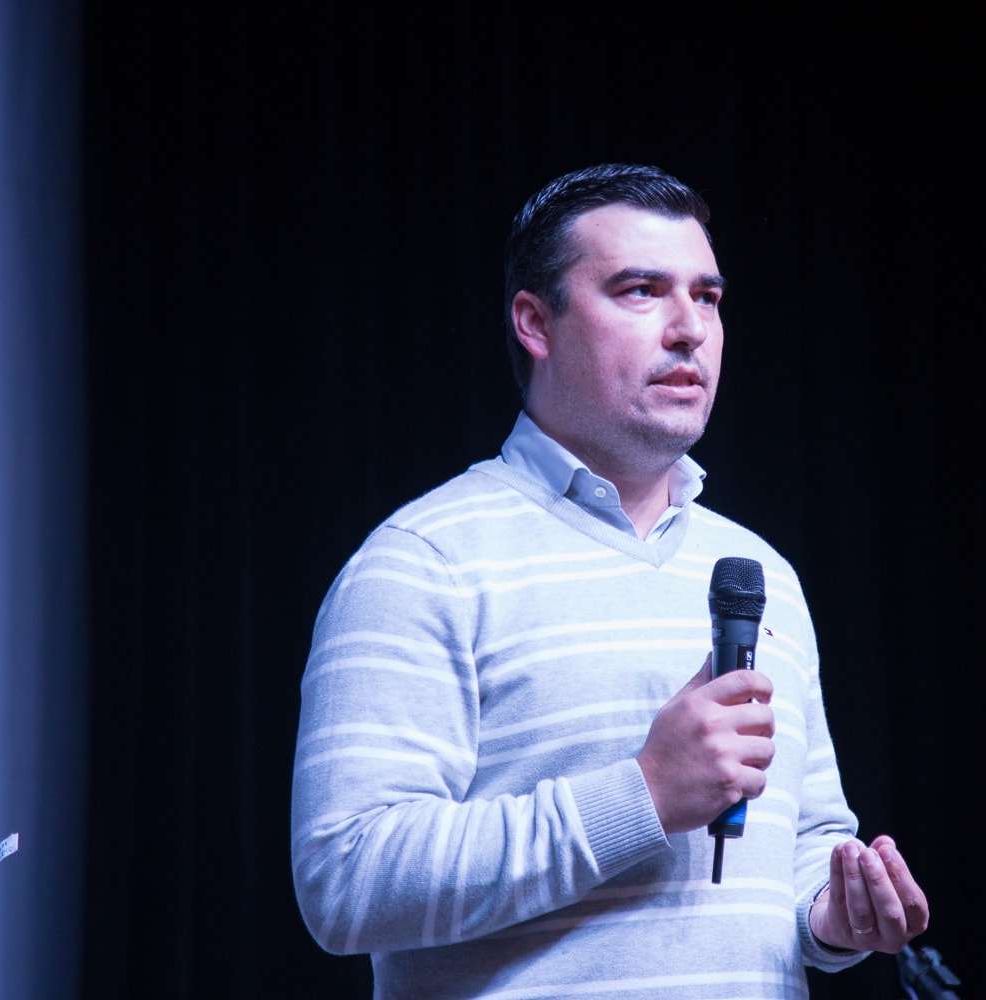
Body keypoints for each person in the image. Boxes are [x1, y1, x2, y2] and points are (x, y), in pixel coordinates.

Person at [291, 164, 928, 999]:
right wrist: (645, 793)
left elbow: (804, 843)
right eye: (640, 291)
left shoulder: (760, 571)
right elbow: (346, 881)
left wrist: (832, 915)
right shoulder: (424, 560)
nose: (689, 329)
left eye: (707, 296)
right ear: (536, 322)